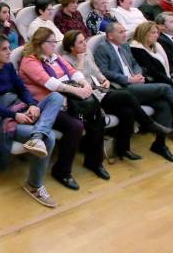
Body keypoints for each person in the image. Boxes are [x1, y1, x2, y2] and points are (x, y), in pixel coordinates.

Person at [0, 32, 64, 205]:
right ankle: (33, 185)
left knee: (56, 97)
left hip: (21, 108)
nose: (10, 52)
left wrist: (31, 104)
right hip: (4, 116)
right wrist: (14, 115)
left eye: (9, 48)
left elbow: (22, 89)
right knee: (50, 137)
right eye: (4, 49)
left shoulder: (8, 66)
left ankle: (37, 136)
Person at [61, 30, 173, 161]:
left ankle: (123, 149)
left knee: (127, 112)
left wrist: (105, 80)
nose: (85, 44)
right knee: (126, 96)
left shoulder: (87, 53)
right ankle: (148, 124)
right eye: (80, 42)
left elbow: (96, 71)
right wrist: (80, 61)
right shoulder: (65, 60)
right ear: (71, 46)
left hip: (99, 90)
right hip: (87, 98)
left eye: (85, 41)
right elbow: (74, 82)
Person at [19, 28, 107, 189]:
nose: (54, 45)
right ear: (40, 44)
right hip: (45, 106)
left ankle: (94, 161)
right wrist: (77, 91)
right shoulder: (29, 61)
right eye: (51, 42)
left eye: (54, 42)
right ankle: (62, 171)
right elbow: (49, 83)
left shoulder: (55, 57)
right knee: (76, 126)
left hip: (67, 101)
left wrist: (85, 84)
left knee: (96, 117)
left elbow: (73, 72)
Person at [93, 22, 173, 161]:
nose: (125, 34)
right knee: (165, 87)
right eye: (120, 32)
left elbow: (135, 64)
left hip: (136, 84)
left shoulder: (125, 46)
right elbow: (104, 72)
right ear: (110, 35)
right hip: (121, 88)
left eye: (124, 31)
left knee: (163, 104)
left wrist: (138, 76)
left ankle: (160, 145)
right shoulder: (102, 49)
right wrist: (128, 79)